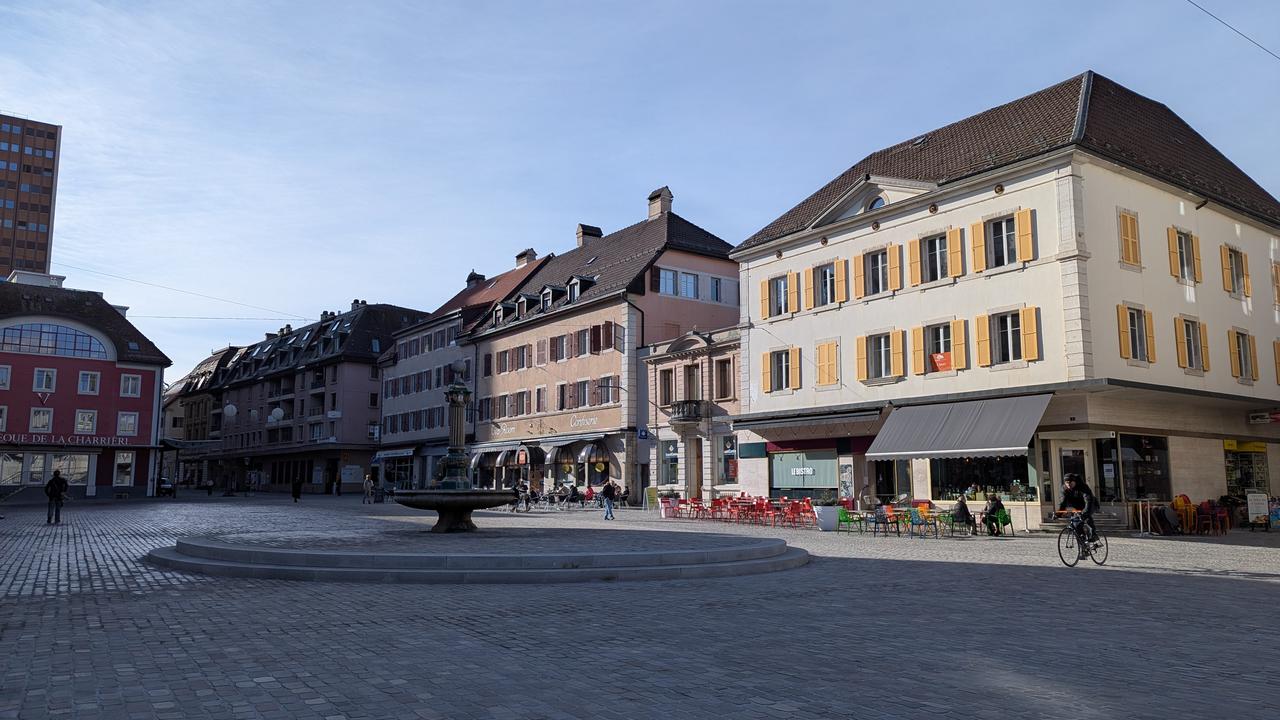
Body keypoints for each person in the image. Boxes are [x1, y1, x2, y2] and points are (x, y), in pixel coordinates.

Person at [1059, 474, 1099, 541]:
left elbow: (1088, 500)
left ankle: (1093, 535)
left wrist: (1085, 512)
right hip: (1077, 507)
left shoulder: (1082, 486)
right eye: (1066, 483)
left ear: (1074, 482)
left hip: (1091, 504)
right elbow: (1063, 502)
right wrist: (1058, 513)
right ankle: (1082, 542)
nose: (1068, 484)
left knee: (1086, 517)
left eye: (1070, 482)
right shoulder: (1064, 489)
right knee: (1076, 524)